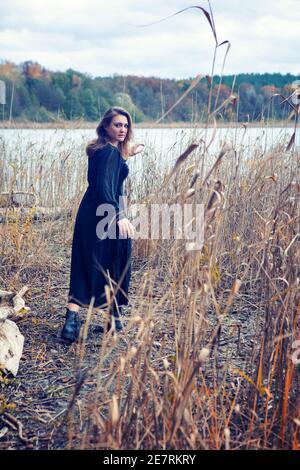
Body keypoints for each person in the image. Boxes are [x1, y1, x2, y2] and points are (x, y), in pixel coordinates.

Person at [61, 107, 144, 343]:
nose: (123, 129)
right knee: (114, 260)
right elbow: (106, 188)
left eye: (126, 126)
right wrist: (120, 215)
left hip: (91, 213)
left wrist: (126, 156)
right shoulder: (109, 153)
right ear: (106, 126)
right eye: (118, 125)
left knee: (86, 262)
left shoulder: (100, 150)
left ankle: (71, 323)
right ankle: (113, 318)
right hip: (105, 214)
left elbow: (108, 179)